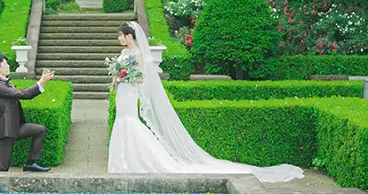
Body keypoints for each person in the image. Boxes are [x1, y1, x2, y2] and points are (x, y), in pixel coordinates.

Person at [107, 20, 303, 181]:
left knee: (131, 122)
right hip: (122, 92)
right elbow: (122, 72)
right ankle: (122, 162)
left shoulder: (139, 54)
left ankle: (143, 161)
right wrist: (117, 77)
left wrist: (124, 76)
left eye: (120, 35)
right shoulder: (124, 54)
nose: (119, 38)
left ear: (129, 36)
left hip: (130, 91)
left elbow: (142, 78)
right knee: (121, 122)